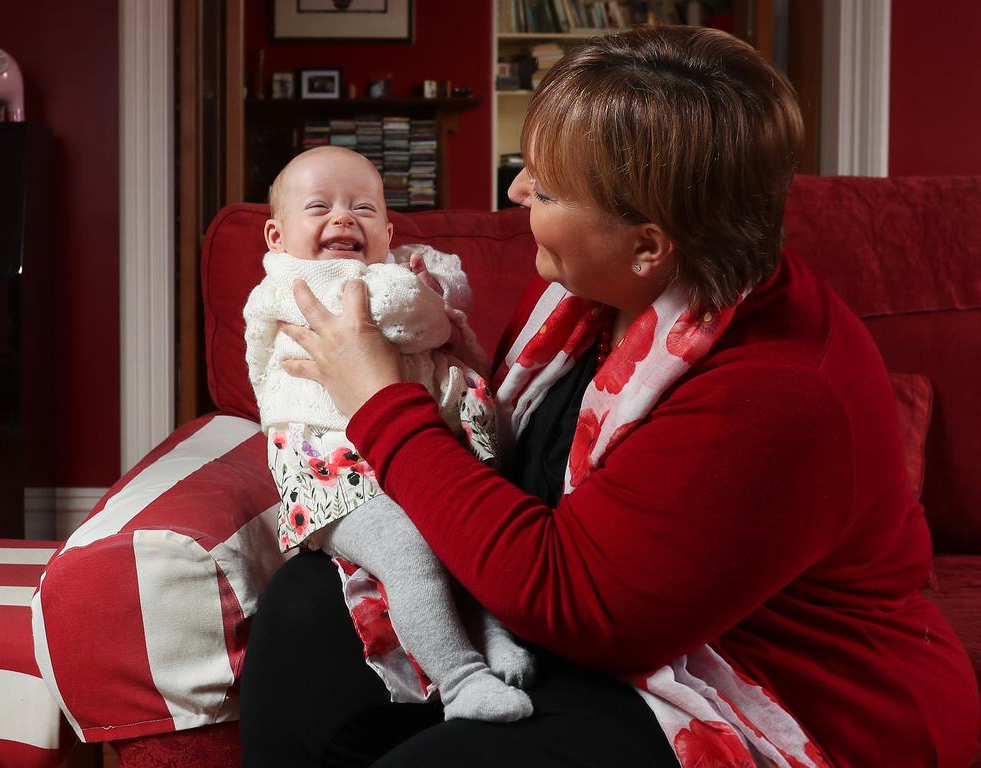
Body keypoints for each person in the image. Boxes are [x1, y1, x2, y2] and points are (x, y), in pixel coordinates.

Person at [240, 26, 980, 768]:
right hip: (594, 621)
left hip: (757, 684)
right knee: (306, 607)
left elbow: (573, 600)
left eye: (549, 186)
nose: (516, 190)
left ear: (648, 245)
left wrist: (379, 400)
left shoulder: (776, 391)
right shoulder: (580, 295)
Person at [242, 146, 535, 726]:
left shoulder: (393, 267)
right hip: (336, 470)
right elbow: (411, 318)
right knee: (411, 551)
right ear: (276, 236)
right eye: (320, 206)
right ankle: (460, 679)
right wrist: (428, 296)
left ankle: (491, 632)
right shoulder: (291, 283)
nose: (345, 219)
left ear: (389, 229)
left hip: (408, 445)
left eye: (364, 209)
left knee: (469, 528)